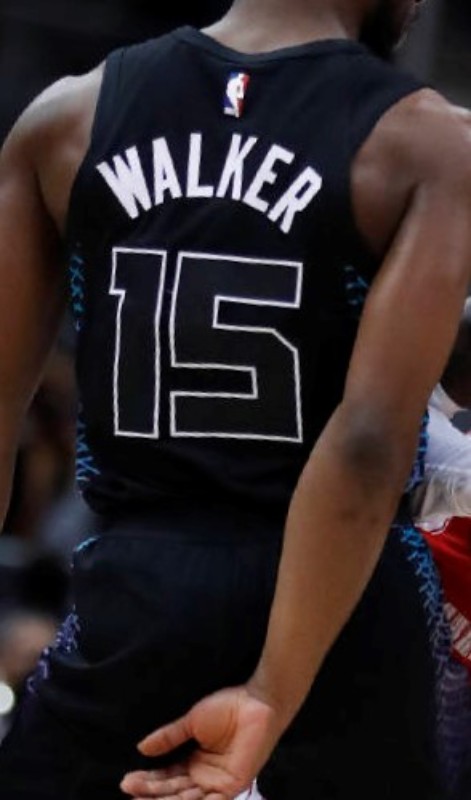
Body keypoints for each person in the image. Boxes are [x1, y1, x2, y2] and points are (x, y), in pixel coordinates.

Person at [0, 1, 471, 799]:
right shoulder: (428, 143)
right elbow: (366, 444)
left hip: (137, 602)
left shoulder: (63, 118)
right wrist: (270, 691)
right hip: (344, 609)